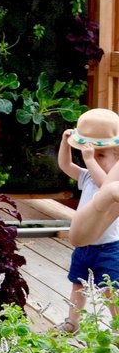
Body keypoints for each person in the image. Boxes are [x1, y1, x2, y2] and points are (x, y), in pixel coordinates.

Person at [56, 108, 119, 333]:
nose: (93, 158)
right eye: (92, 154)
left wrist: (90, 160)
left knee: (110, 289)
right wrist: (66, 143)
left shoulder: (110, 182)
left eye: (101, 155)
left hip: (109, 247)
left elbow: (106, 188)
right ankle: (72, 322)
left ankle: (117, 325)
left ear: (117, 156)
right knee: (78, 284)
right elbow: (65, 166)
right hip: (84, 246)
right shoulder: (87, 176)